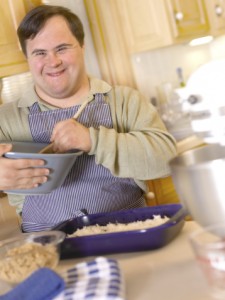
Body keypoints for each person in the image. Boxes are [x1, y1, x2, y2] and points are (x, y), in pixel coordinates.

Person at [0, 5, 177, 232]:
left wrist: (93, 140)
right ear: (27, 57)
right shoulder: (5, 120)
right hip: (49, 250)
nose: (53, 61)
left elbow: (168, 159)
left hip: (129, 236)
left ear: (82, 46)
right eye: (40, 53)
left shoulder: (124, 101)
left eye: (62, 48)